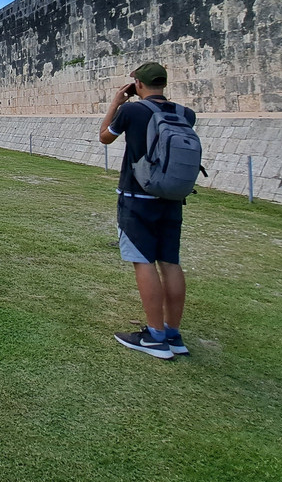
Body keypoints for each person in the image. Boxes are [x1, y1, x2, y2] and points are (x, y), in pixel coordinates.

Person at [99, 62, 195, 360]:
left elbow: (105, 136)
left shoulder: (132, 111)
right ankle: (172, 333)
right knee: (170, 261)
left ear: (137, 84)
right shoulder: (185, 114)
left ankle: (154, 336)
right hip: (171, 196)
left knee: (142, 261)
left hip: (137, 195)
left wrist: (117, 101)